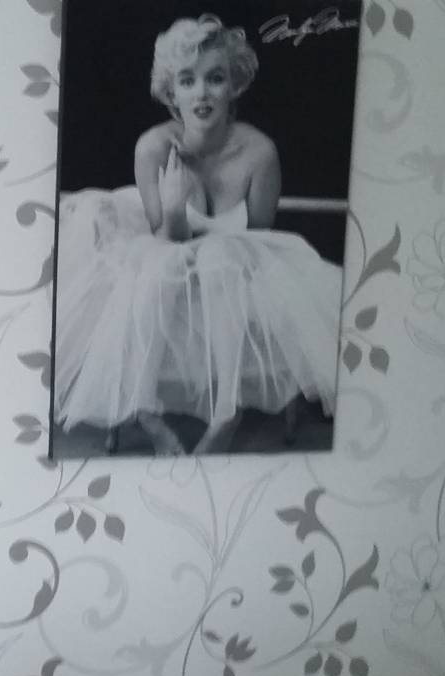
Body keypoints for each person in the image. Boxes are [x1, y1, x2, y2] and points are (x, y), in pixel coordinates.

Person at [53, 14, 342, 454]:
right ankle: (145, 411)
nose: (202, 93)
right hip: (167, 254)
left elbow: (258, 241)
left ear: (235, 86)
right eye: (187, 81)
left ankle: (227, 411)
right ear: (172, 92)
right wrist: (173, 208)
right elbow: (164, 240)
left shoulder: (260, 153)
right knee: (155, 265)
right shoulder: (152, 148)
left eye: (215, 78)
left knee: (219, 256)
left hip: (231, 272)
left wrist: (209, 250)